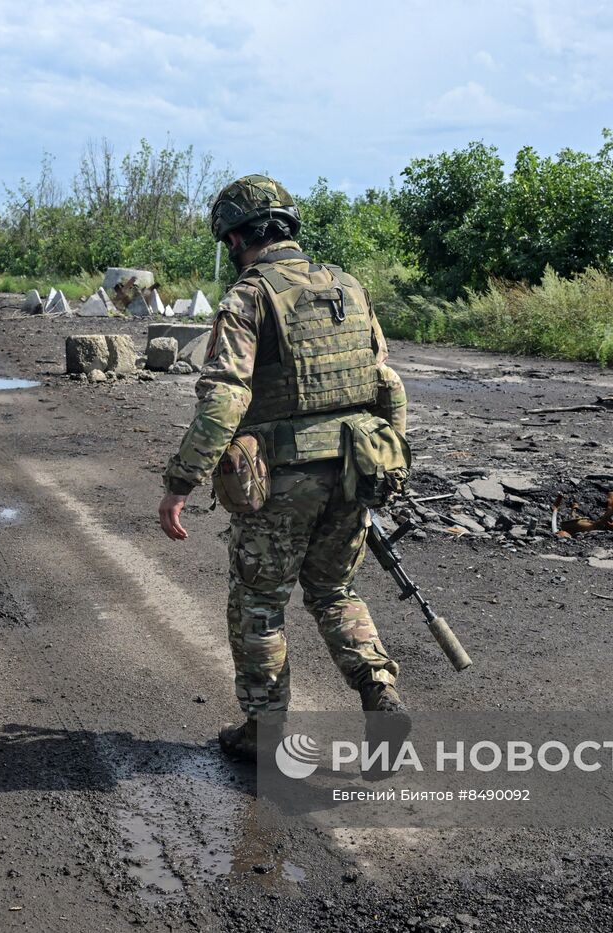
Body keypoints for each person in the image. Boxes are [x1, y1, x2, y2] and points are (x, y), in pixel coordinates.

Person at [158, 174, 409, 761]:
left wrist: (181, 481)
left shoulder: (249, 296)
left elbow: (225, 398)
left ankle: (263, 735)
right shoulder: (348, 287)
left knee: (260, 604)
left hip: (283, 479)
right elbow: (386, 382)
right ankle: (381, 693)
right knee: (335, 591)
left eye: (228, 241)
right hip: (356, 468)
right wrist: (390, 459)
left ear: (238, 237)